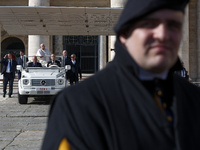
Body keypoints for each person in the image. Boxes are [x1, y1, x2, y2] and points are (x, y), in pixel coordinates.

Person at [42, 0, 200, 150]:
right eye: (149, 24)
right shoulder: (78, 105)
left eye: (174, 25)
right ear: (124, 34)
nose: (163, 34)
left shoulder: (193, 98)